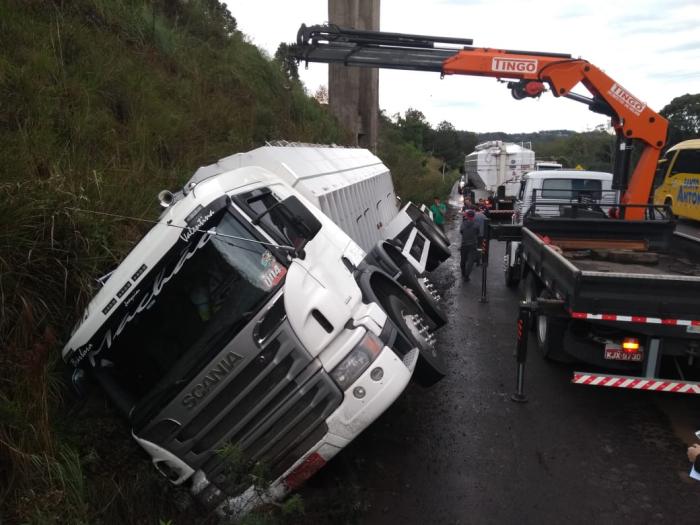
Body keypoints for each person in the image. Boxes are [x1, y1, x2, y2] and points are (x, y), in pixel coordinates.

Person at [460, 209, 479, 281]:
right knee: (470, 261)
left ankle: (463, 273)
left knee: (463, 260)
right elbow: (477, 232)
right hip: (473, 244)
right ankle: (466, 276)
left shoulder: (463, 223)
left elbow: (461, 231)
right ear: (474, 216)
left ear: (467, 216)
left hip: (464, 244)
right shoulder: (476, 224)